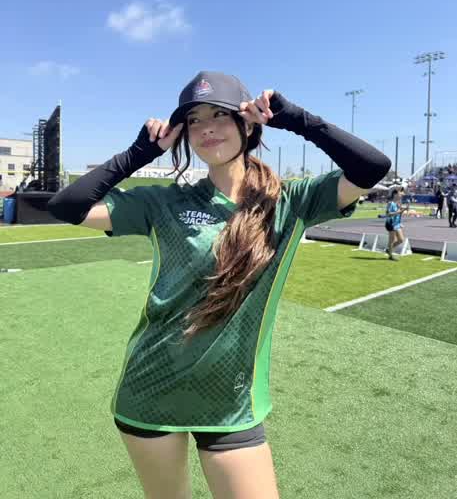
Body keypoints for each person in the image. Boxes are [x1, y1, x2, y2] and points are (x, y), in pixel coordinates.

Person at [47, 71, 391, 499]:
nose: (206, 128)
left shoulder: (290, 201)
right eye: (194, 120)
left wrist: (296, 119)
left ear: (248, 124)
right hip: (150, 390)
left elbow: (372, 167)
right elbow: (66, 206)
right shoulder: (164, 201)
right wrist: (139, 153)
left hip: (232, 403)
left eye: (220, 115)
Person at [384, 189, 409, 260]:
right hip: (390, 223)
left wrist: (405, 209)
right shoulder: (390, 203)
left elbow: (399, 213)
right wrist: (399, 212)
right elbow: (388, 214)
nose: (401, 195)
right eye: (400, 194)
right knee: (392, 240)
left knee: (401, 240)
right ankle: (390, 256)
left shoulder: (398, 203)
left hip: (397, 224)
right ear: (395, 194)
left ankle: (389, 249)